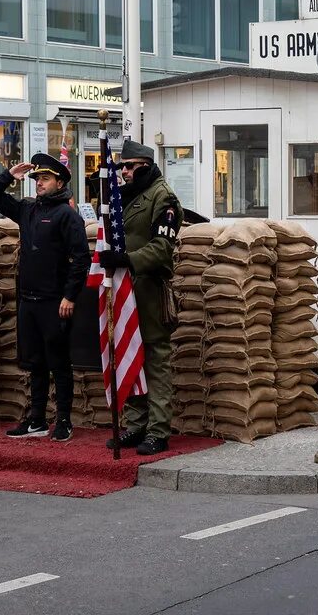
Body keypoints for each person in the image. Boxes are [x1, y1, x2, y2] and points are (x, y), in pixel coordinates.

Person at [0, 153, 90, 442]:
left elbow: (81, 259)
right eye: (36, 179)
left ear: (59, 182)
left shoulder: (67, 216)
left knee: (59, 362)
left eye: (44, 179)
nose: (38, 183)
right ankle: (37, 419)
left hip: (53, 301)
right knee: (35, 364)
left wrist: (69, 296)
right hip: (28, 301)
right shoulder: (28, 210)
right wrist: (9, 175)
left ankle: (64, 420)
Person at [100, 140, 183, 456]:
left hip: (149, 290)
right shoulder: (125, 196)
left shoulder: (163, 198)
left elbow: (162, 249)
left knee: (155, 361)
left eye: (131, 167)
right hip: (125, 291)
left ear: (146, 166)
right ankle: (135, 426)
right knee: (128, 358)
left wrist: (127, 260)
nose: (124, 172)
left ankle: (158, 430)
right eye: (122, 167)